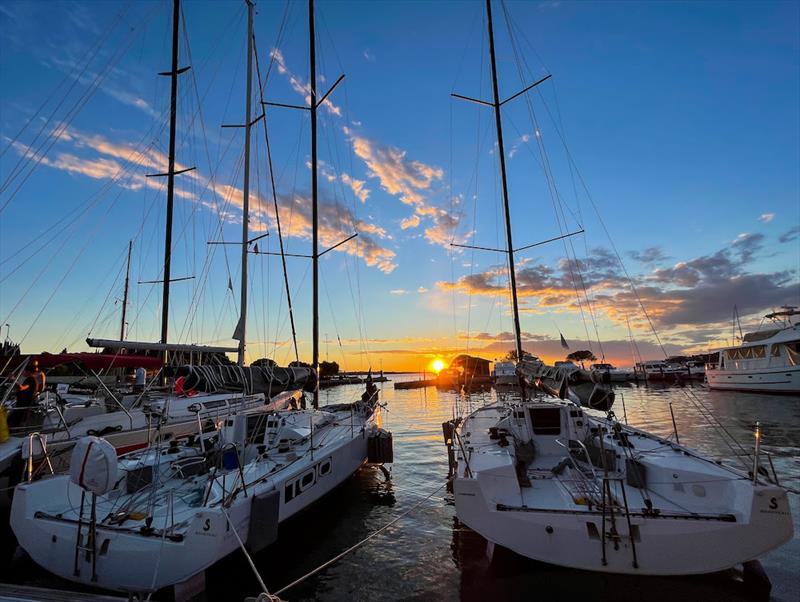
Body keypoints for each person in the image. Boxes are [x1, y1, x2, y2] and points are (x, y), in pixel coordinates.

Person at [8, 363, 39, 429]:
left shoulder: (31, 379)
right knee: (13, 420)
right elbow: (24, 390)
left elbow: (22, 388)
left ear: (29, 372)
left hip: (24, 405)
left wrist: (13, 379)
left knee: (14, 422)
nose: (23, 372)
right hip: (22, 404)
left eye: (24, 371)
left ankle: (15, 434)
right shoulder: (30, 379)